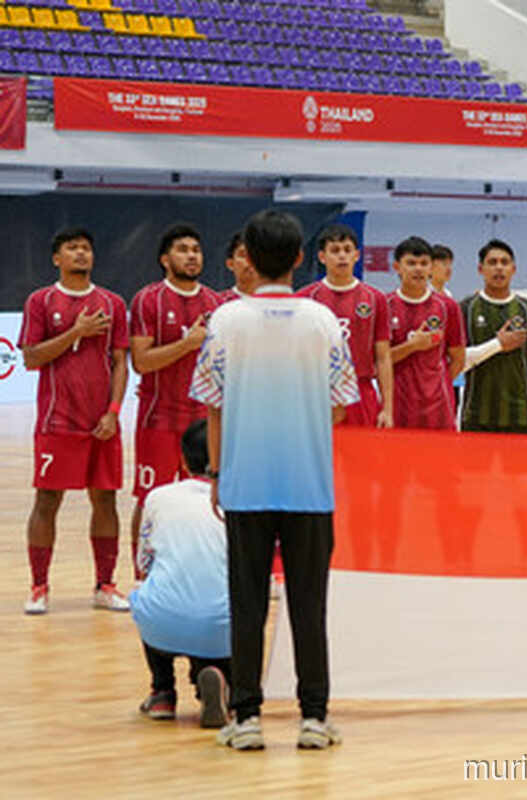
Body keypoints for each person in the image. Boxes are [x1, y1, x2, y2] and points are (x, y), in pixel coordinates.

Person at [190, 209, 360, 751]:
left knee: (247, 602)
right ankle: (314, 717)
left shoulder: (224, 320)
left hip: (245, 482)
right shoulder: (323, 321)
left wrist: (216, 473)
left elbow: (213, 409)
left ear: (247, 258)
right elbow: (340, 406)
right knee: (310, 604)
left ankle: (247, 719)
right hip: (310, 483)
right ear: (297, 259)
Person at [19, 227, 130, 615]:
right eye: (72, 248)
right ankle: (38, 586)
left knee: (106, 500)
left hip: (102, 423)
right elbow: (32, 358)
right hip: (57, 422)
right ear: (57, 258)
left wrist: (114, 412)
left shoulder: (113, 303)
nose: (81, 253)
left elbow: (120, 362)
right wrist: (76, 331)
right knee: (47, 500)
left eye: (86, 247)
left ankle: (104, 584)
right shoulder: (40, 301)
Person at [128, 224, 222, 578]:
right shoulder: (148, 299)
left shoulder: (216, 303)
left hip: (204, 418)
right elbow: (142, 361)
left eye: (196, 249)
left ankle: (201, 570)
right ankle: (143, 576)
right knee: (148, 497)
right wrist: (187, 343)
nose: (192, 255)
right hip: (159, 417)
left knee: (209, 497)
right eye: (183, 249)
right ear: (165, 259)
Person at [130, 419, 231, 729]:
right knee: (231, 608)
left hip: (163, 623)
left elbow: (144, 564)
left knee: (148, 594)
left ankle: (162, 692)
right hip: (221, 627)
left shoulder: (158, 497)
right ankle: (221, 685)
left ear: (183, 460)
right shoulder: (241, 499)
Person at [298, 224, 394, 429]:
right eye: (335, 250)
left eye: (347, 250)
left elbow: (383, 357)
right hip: (317, 392)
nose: (342, 256)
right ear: (322, 257)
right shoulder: (304, 299)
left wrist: (388, 408)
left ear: (357, 255)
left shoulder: (375, 298)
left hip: (362, 393)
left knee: (362, 458)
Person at [458, 239, 527, 435]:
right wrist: (498, 344)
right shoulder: (465, 308)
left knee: (522, 467)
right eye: (492, 263)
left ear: (513, 269)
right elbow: (458, 361)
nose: (499, 268)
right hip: (475, 414)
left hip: (521, 413)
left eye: (504, 262)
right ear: (480, 269)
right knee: (472, 467)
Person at [388, 236, 466, 429]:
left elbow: (458, 358)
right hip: (398, 405)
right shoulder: (384, 305)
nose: (418, 269)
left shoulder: (448, 307)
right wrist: (412, 347)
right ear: (397, 267)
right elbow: (378, 361)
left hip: (438, 406)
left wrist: (437, 385)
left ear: (431, 268)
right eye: (411, 263)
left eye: (424, 263)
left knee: (442, 459)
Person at [217, 232, 256, 304]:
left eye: (255, 254)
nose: (250, 260)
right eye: (243, 255)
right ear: (230, 264)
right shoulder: (217, 303)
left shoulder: (274, 302)